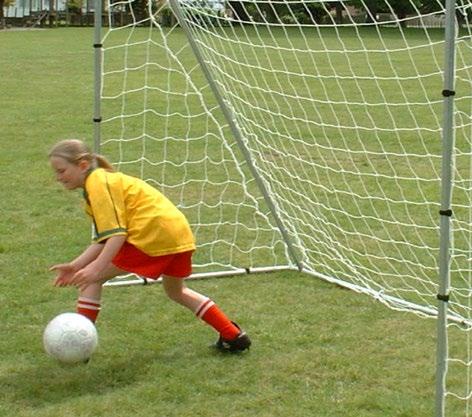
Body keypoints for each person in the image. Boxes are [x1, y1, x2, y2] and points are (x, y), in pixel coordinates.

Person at [48, 139, 251, 353]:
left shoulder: (97, 184)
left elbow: (117, 235)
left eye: (61, 171)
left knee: (92, 280)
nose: (58, 177)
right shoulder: (101, 181)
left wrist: (95, 269)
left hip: (153, 236)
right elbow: (104, 239)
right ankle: (233, 335)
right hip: (176, 234)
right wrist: (76, 265)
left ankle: (79, 346)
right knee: (177, 291)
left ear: (82, 165)